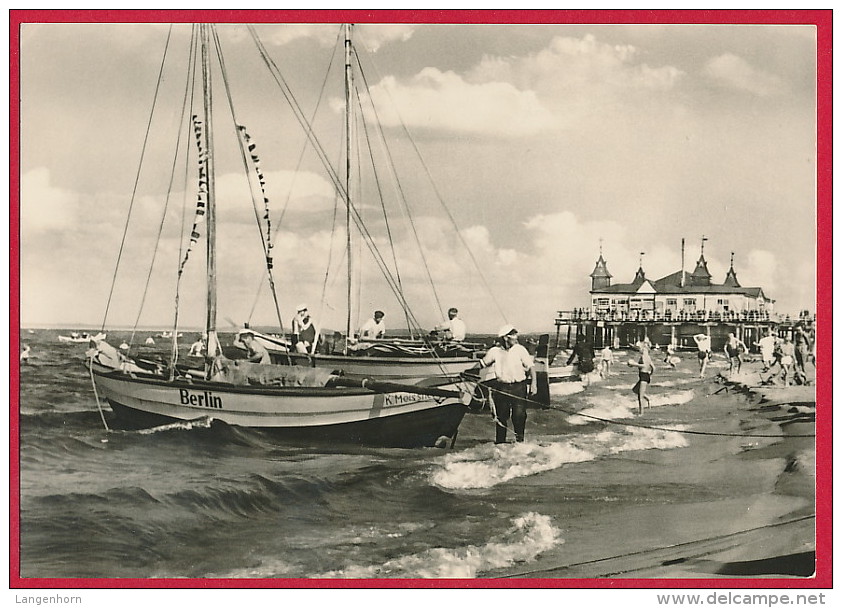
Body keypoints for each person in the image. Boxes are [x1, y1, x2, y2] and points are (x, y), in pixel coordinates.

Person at [477, 325, 534, 444]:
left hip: (519, 387)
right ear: (505, 338)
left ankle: (520, 442)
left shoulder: (520, 349)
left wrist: (534, 384)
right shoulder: (494, 351)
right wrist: (466, 373)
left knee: (519, 416)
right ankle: (500, 444)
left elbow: (531, 367)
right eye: (513, 336)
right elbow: (482, 364)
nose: (516, 338)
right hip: (501, 388)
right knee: (501, 417)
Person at [628, 341, 655, 415]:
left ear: (644, 349)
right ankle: (648, 399)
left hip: (643, 376)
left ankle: (641, 413)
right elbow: (653, 367)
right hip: (645, 376)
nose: (640, 350)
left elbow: (644, 366)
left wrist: (634, 364)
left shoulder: (643, 356)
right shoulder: (648, 357)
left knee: (640, 397)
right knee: (635, 390)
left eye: (641, 348)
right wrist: (650, 375)